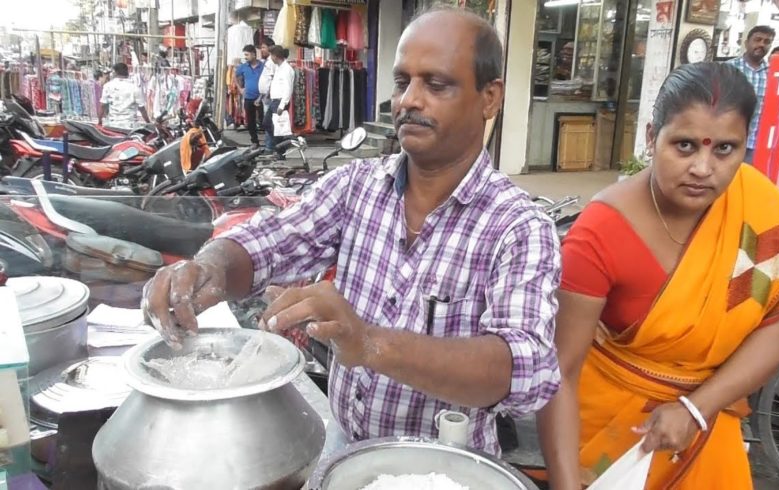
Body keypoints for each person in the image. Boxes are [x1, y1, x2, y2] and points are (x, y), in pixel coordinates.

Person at [142, 7, 561, 456]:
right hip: (345, 448)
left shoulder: (518, 228)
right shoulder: (355, 186)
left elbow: (527, 372)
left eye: (436, 84)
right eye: (403, 82)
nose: (409, 101)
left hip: (444, 469)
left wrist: (370, 343)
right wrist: (208, 269)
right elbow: (268, 242)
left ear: (490, 98)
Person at [536, 62, 779, 490]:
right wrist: (564, 480)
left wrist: (696, 408)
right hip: (611, 437)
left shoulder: (760, 215)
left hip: (708, 422)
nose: (704, 168)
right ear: (652, 137)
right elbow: (560, 370)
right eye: (684, 146)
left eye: (725, 149)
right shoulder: (599, 233)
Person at [726, 25, 775, 165]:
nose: (761, 44)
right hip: (730, 139)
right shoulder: (729, 68)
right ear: (747, 43)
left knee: (748, 182)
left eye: (767, 41)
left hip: (758, 144)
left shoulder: (773, 74)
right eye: (758, 39)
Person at [263, 45, 294, 160]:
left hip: (280, 101)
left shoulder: (287, 69)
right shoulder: (278, 68)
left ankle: (281, 152)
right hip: (274, 101)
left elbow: (288, 88)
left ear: (276, 56)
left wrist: (282, 105)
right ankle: (281, 144)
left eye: (271, 55)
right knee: (267, 124)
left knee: (278, 128)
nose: (271, 58)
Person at [98, 63, 150, 129]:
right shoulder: (135, 88)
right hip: (130, 126)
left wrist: (99, 121)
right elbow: (142, 109)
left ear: (115, 72)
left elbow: (102, 106)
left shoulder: (108, 86)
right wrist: (148, 122)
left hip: (112, 125)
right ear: (127, 72)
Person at [235, 44, 266, 149]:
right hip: (248, 97)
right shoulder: (243, 67)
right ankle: (254, 141)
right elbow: (236, 76)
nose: (246, 57)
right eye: (245, 55)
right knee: (250, 121)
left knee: (263, 120)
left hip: (261, 97)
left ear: (253, 54)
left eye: (247, 55)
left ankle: (268, 140)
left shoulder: (262, 66)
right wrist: (240, 88)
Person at [257, 37, 277, 153]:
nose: (262, 50)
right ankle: (269, 145)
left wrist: (268, 94)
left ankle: (270, 147)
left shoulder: (271, 62)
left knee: (269, 122)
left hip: (269, 97)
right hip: (265, 97)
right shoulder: (268, 61)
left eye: (264, 47)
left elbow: (273, 79)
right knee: (267, 122)